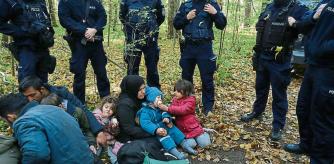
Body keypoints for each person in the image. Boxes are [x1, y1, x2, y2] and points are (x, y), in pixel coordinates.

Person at [240, 0, 308, 141]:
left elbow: (309, 26)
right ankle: (257, 111)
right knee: (260, 88)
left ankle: (278, 125)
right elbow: (260, 27)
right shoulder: (270, 6)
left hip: (280, 58)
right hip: (262, 55)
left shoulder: (297, 8)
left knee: (279, 93)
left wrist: (296, 23)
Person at [283, 2, 334, 163]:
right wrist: (313, 17)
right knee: (303, 108)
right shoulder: (325, 3)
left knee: (323, 117)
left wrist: (319, 48)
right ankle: (306, 144)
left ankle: (321, 159)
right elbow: (303, 26)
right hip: (313, 67)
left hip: (330, 70)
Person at [0, 93, 94, 163]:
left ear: (10, 117)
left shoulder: (25, 121)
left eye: (5, 121)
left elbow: (37, 155)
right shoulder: (54, 109)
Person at [18, 76, 107, 146]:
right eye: (26, 96)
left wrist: (99, 132)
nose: (30, 99)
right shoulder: (29, 104)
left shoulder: (61, 93)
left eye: (32, 95)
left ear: (42, 89)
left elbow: (82, 109)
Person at [173, 0, 227, 115]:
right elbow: (176, 24)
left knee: (207, 79)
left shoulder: (211, 4)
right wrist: (186, 18)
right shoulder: (186, 5)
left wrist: (215, 13)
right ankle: (187, 105)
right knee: (186, 78)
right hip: (188, 47)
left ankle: (208, 107)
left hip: (205, 47)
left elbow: (221, 25)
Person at [58, 0, 110, 104]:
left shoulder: (95, 1)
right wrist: (84, 31)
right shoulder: (65, 2)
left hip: (96, 43)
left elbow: (102, 17)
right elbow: (65, 20)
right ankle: (80, 104)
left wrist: (94, 29)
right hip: (78, 44)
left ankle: (107, 102)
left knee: (101, 73)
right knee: (79, 75)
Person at [0, 0, 55, 83]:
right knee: (27, 85)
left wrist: (49, 32)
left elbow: (46, 18)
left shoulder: (40, 1)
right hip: (26, 50)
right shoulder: (11, 2)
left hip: (43, 49)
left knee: (43, 86)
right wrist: (22, 32)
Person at [116, 75, 168, 163]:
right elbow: (129, 129)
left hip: (146, 127)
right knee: (160, 140)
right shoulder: (124, 105)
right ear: (132, 89)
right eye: (140, 90)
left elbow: (154, 94)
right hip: (132, 136)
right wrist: (153, 131)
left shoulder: (138, 97)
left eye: (144, 88)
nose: (144, 92)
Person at [137, 87, 197, 159]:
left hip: (165, 124)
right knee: (165, 138)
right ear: (151, 99)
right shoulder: (145, 111)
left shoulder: (159, 107)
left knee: (175, 130)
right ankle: (176, 153)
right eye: (158, 98)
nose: (160, 100)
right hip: (158, 129)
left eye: (160, 98)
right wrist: (156, 130)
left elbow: (165, 112)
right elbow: (145, 123)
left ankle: (186, 146)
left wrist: (167, 118)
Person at [119, 0, 165, 89]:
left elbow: (161, 17)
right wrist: (131, 29)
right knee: (132, 67)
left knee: (152, 67)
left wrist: (151, 27)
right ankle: (132, 92)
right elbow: (122, 17)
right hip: (133, 38)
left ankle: (154, 92)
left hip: (150, 38)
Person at [158, 79, 211, 149]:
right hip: (182, 129)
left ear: (185, 92)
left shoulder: (191, 100)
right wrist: (167, 116)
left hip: (193, 127)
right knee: (191, 145)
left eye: (178, 91)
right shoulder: (175, 100)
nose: (175, 93)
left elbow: (183, 110)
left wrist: (168, 108)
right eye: (175, 90)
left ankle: (205, 133)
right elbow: (172, 112)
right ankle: (193, 140)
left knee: (205, 144)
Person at [92, 96, 123, 164]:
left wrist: (114, 127)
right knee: (95, 152)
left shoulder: (111, 119)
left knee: (114, 152)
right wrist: (106, 122)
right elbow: (97, 126)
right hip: (98, 139)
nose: (108, 110)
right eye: (106, 107)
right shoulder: (96, 115)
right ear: (102, 106)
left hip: (109, 141)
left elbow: (115, 133)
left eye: (111, 109)